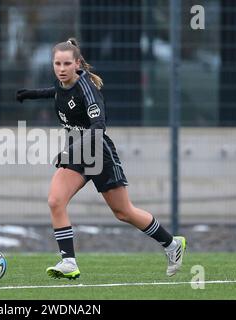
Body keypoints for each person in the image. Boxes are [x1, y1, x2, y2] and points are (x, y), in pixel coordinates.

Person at [16, 38, 186, 280]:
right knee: (55, 201)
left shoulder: (87, 87)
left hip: (99, 152)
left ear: (77, 64)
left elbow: (98, 127)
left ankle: (171, 244)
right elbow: (60, 93)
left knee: (123, 212)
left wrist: (68, 153)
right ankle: (68, 262)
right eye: (57, 63)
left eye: (66, 64)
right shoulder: (63, 82)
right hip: (77, 151)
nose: (61, 68)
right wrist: (33, 94)